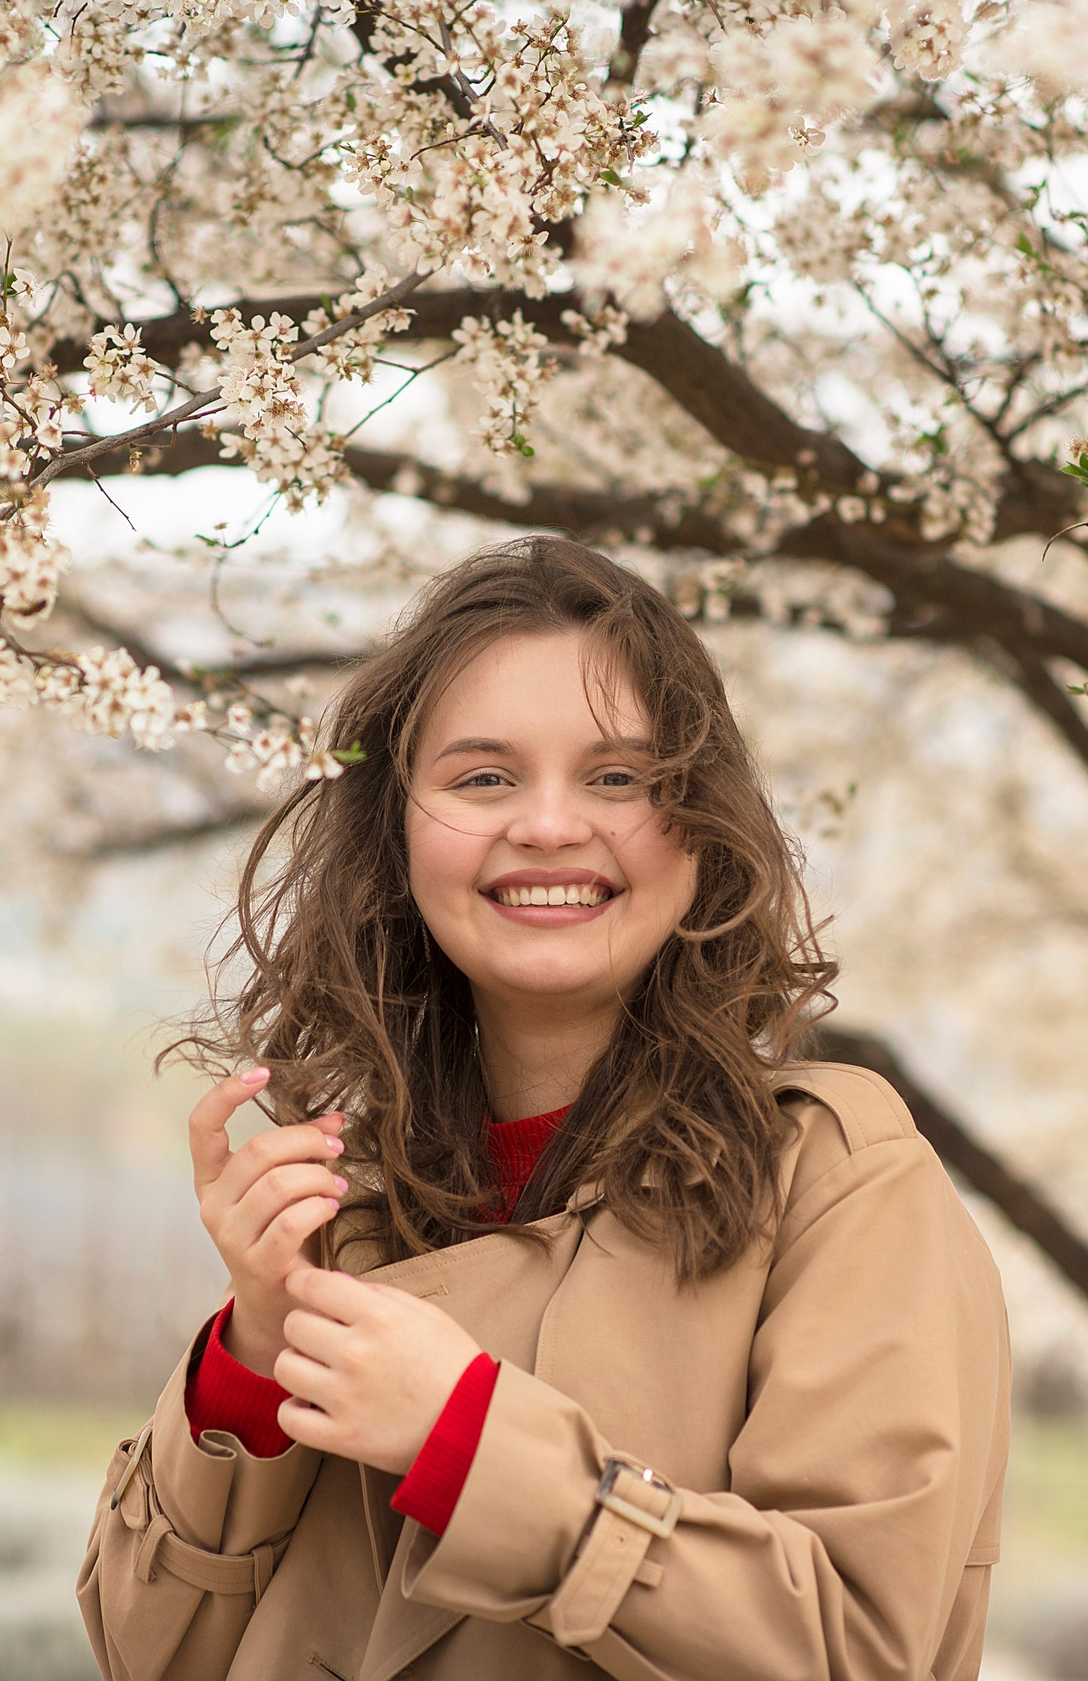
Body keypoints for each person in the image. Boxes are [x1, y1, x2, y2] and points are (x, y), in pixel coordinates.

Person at [78, 535, 1010, 1681]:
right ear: (398, 833)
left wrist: (468, 1442)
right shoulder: (347, 1205)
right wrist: (254, 1360)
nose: (550, 825)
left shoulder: (834, 1174)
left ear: (700, 829)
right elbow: (145, 1655)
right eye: (483, 777)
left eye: (616, 777)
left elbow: (858, 1648)